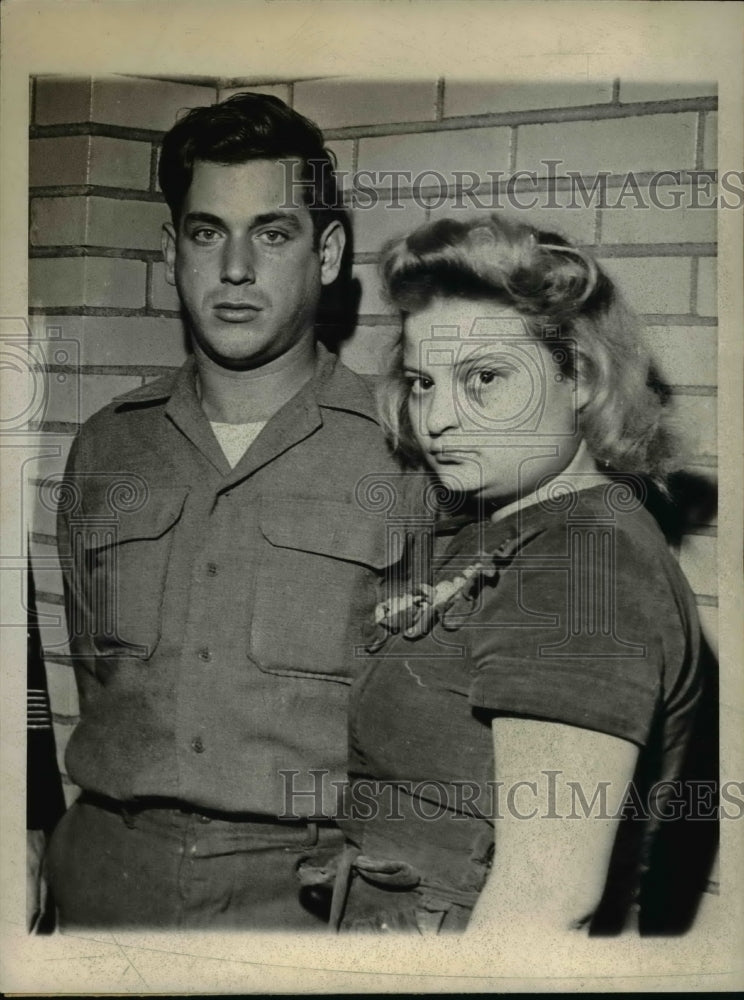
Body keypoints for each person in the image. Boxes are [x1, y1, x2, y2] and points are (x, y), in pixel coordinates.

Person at [46, 92, 413, 931]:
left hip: (310, 894)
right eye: (208, 233)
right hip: (108, 875)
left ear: (326, 254)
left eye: (273, 234)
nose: (236, 268)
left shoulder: (403, 454)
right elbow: (92, 674)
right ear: (172, 250)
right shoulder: (107, 447)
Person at [330, 214, 705, 937]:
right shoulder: (513, 526)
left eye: (484, 378)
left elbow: (544, 897)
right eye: (421, 381)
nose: (436, 417)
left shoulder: (581, 564)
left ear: (580, 379)